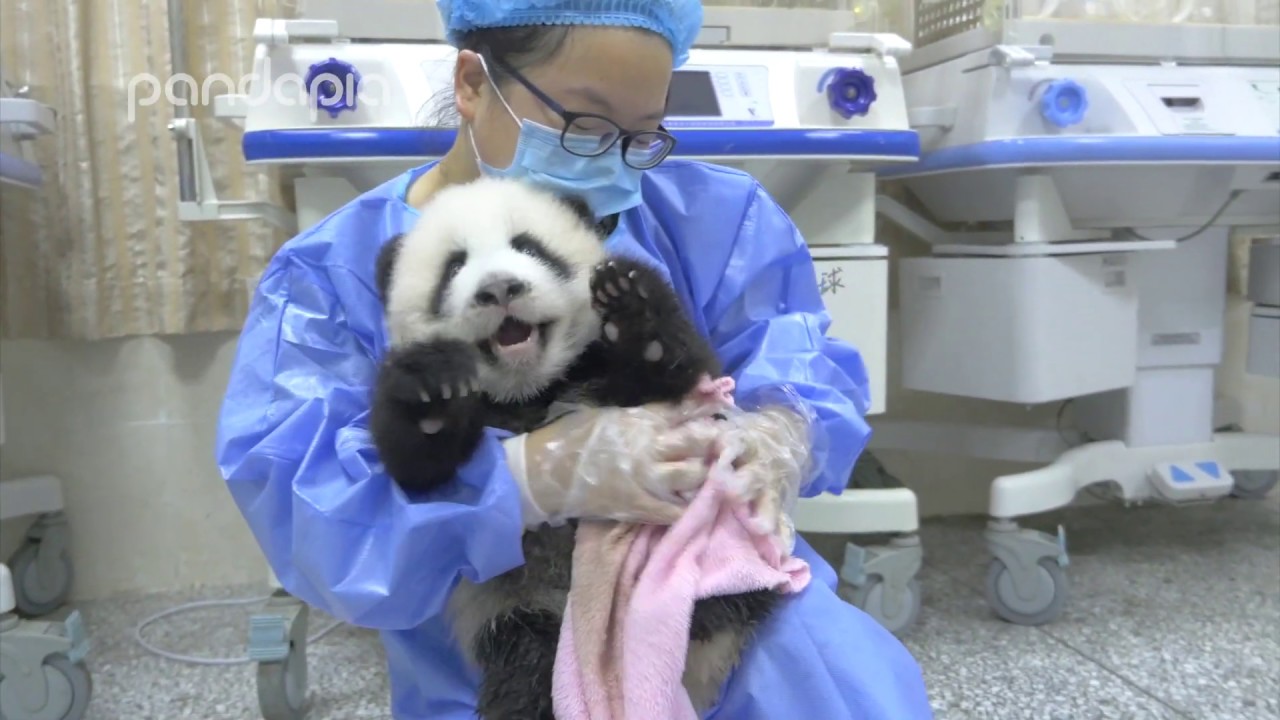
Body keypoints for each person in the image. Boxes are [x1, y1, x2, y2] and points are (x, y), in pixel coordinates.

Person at [215, 1, 933, 717]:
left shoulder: (714, 216)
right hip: (493, 654)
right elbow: (311, 511)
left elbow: (795, 358)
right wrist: (525, 480)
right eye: (583, 124)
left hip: (711, 601)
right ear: (472, 82)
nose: (615, 160)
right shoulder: (328, 276)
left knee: (846, 693)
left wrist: (778, 434)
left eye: (643, 134)